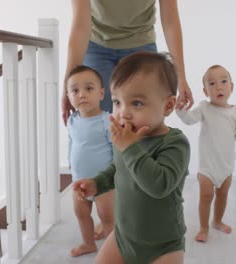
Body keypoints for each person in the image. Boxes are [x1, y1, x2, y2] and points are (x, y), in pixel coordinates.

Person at [73, 52, 190, 264]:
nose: (123, 113)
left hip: (163, 246)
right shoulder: (125, 140)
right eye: (117, 102)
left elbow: (160, 185)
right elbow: (118, 169)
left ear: (168, 106)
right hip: (123, 237)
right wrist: (98, 183)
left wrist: (130, 148)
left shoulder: (174, 144)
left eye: (136, 103)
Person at [62, 0, 194, 126]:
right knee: (96, 117)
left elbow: (170, 20)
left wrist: (180, 76)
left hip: (140, 41)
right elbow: (80, 26)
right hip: (96, 43)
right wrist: (67, 87)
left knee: (141, 117)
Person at [176, 65, 236, 242]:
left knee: (222, 195)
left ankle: (217, 220)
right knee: (206, 195)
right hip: (207, 167)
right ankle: (203, 227)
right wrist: (181, 110)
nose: (219, 87)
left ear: (231, 87)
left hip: (226, 166)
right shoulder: (204, 108)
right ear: (205, 90)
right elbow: (188, 120)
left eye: (224, 82)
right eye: (212, 83)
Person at [66, 65, 115, 256]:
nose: (82, 95)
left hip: (103, 182)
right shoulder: (72, 121)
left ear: (101, 93)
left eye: (89, 89)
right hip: (79, 179)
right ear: (68, 96)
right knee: (81, 213)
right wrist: (71, 167)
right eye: (75, 91)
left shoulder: (107, 120)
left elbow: (116, 150)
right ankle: (88, 243)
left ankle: (113, 250)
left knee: (107, 216)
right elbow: (71, 144)